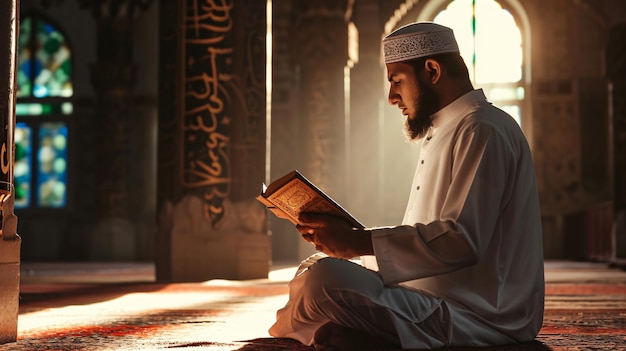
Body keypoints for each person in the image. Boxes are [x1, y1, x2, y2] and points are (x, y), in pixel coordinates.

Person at [268, 21, 545, 350]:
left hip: (480, 315)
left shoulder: (483, 129)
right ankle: (359, 333)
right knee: (315, 268)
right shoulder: (445, 130)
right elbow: (429, 236)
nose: (391, 97)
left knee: (323, 282)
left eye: (396, 80)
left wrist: (361, 242)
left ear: (431, 70)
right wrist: (349, 243)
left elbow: (462, 241)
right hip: (429, 297)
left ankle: (341, 331)